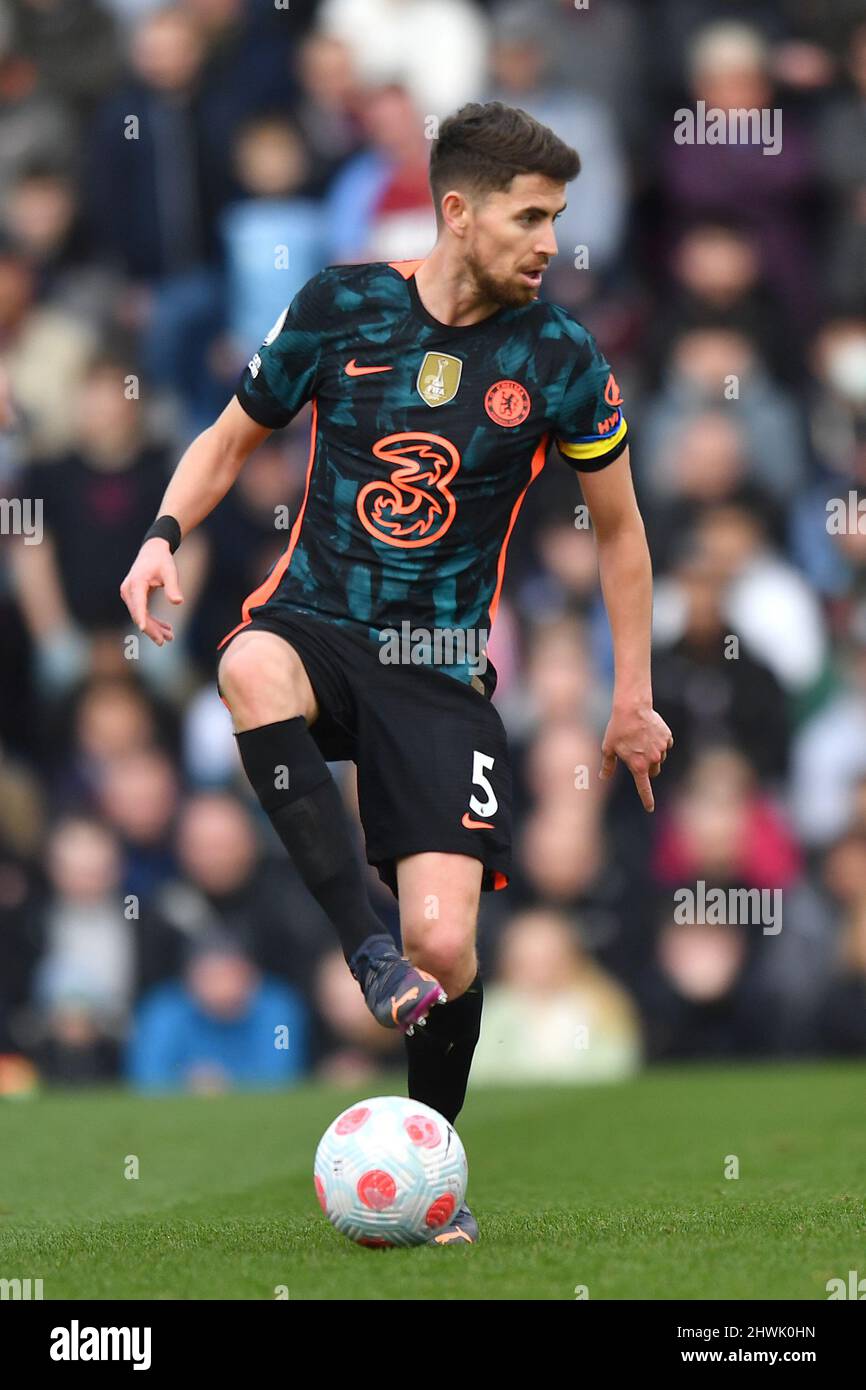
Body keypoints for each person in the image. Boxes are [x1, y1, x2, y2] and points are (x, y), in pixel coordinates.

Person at [120, 101, 673, 1244]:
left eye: (556, 220)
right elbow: (228, 438)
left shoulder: (560, 359)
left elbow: (619, 534)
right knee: (249, 667)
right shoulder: (340, 306)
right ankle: (359, 947)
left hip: (437, 670)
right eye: (529, 218)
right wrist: (161, 536)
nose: (547, 243)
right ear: (456, 212)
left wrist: (631, 695)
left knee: (446, 946)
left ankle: (434, 1164)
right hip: (319, 619)